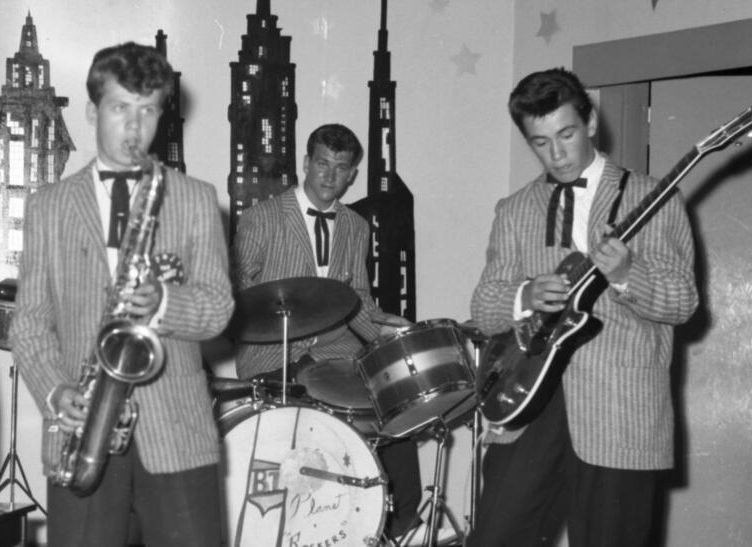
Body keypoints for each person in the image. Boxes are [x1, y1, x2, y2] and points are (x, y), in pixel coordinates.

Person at [10, 42, 234, 547]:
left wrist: (166, 304)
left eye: (147, 110)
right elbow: (28, 323)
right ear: (92, 110)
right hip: (82, 424)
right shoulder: (49, 205)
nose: (134, 128)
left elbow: (219, 309)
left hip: (177, 434)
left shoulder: (196, 198)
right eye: (119, 108)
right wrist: (54, 391)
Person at [467, 68, 698, 547]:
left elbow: (683, 303)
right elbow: (486, 306)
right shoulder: (514, 209)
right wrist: (525, 295)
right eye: (540, 142)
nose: (557, 154)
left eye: (566, 135)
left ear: (591, 123)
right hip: (528, 406)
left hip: (620, 413)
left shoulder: (654, 199)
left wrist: (627, 275)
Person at [231, 122, 423, 542]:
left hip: (337, 350)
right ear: (305, 163)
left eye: (341, 167)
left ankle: (399, 524)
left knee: (395, 399)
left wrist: (391, 329)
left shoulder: (356, 226)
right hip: (273, 352)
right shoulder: (263, 218)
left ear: (352, 173)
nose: (329, 175)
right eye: (322, 163)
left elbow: (358, 300)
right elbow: (238, 293)